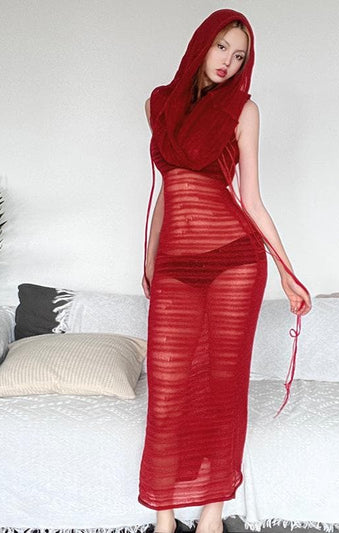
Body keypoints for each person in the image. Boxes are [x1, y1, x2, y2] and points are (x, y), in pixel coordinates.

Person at [138, 8, 312, 533]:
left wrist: (286, 271)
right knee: (167, 392)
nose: (228, 63)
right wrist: (150, 259)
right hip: (176, 265)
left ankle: (211, 517)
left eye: (239, 57)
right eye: (222, 49)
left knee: (222, 389)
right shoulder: (159, 105)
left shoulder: (244, 109)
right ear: (201, 45)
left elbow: (251, 200)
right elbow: (170, 190)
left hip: (234, 262)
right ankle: (165, 520)